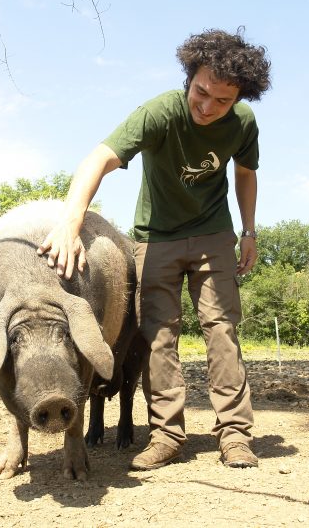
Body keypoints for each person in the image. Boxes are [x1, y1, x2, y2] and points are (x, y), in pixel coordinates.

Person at [37, 28, 271, 470]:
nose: (207, 107)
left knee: (221, 330)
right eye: (201, 92)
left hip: (213, 236)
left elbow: (245, 173)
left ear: (239, 97)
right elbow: (100, 157)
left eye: (222, 100)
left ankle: (236, 436)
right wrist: (70, 222)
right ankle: (166, 435)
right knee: (158, 336)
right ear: (190, 77)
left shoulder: (243, 123)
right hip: (155, 239)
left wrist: (249, 230)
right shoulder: (159, 113)